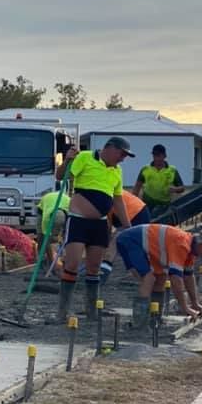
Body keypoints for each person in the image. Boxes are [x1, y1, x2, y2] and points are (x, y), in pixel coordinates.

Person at [54, 137, 134, 322]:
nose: (122, 159)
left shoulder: (117, 171)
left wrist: (128, 226)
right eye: (121, 154)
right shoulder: (86, 158)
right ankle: (62, 312)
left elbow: (118, 199)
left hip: (100, 224)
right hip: (79, 220)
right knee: (72, 264)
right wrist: (67, 160)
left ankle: (91, 311)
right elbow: (61, 176)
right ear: (110, 148)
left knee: (94, 267)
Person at [115, 225, 202, 328]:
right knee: (149, 279)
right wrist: (184, 307)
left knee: (160, 278)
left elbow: (188, 277)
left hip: (147, 246)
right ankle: (139, 324)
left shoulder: (191, 251)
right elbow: (176, 280)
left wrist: (195, 303)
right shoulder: (182, 244)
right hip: (130, 240)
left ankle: (155, 319)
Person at [100, 189, 152, 284]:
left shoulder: (102, 199)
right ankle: (137, 274)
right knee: (124, 246)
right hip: (137, 210)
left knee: (116, 243)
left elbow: (106, 230)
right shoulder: (102, 194)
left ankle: (103, 274)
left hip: (136, 213)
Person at [132, 144, 184, 216]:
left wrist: (175, 189)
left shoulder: (172, 170)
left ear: (164, 156)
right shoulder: (145, 169)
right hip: (148, 204)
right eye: (155, 155)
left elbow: (182, 188)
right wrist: (133, 203)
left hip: (164, 206)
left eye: (159, 155)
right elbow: (137, 188)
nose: (157, 158)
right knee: (148, 224)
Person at [37, 188, 70, 271]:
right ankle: (43, 262)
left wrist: (64, 237)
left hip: (60, 206)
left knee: (63, 239)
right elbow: (45, 236)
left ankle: (60, 262)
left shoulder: (70, 208)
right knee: (42, 238)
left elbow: (69, 231)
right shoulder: (46, 218)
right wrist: (53, 237)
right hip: (43, 208)